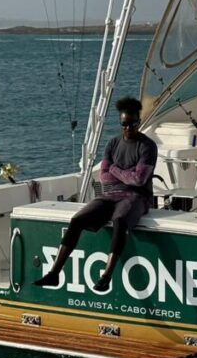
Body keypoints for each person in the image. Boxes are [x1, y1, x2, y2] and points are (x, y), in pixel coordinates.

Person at [34, 96, 158, 292]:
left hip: (137, 197)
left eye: (133, 124)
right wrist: (124, 174)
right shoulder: (113, 143)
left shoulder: (147, 146)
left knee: (120, 220)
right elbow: (104, 177)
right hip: (111, 195)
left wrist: (116, 170)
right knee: (77, 220)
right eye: (124, 124)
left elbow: (139, 180)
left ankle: (106, 276)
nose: (128, 128)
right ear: (120, 122)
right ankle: (54, 274)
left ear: (139, 122)